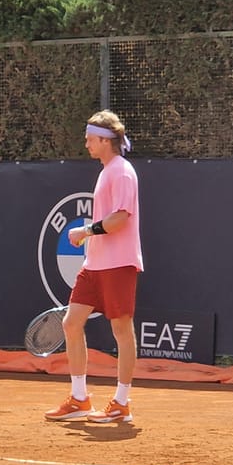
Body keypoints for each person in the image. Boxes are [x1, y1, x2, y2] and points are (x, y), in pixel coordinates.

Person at [44, 110, 143, 423]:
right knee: (72, 323)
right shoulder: (105, 171)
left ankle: (121, 403)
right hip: (95, 263)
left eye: (90, 138)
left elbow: (120, 219)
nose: (86, 143)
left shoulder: (122, 171)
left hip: (118, 263)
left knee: (121, 330)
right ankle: (79, 398)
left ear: (105, 140)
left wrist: (85, 231)